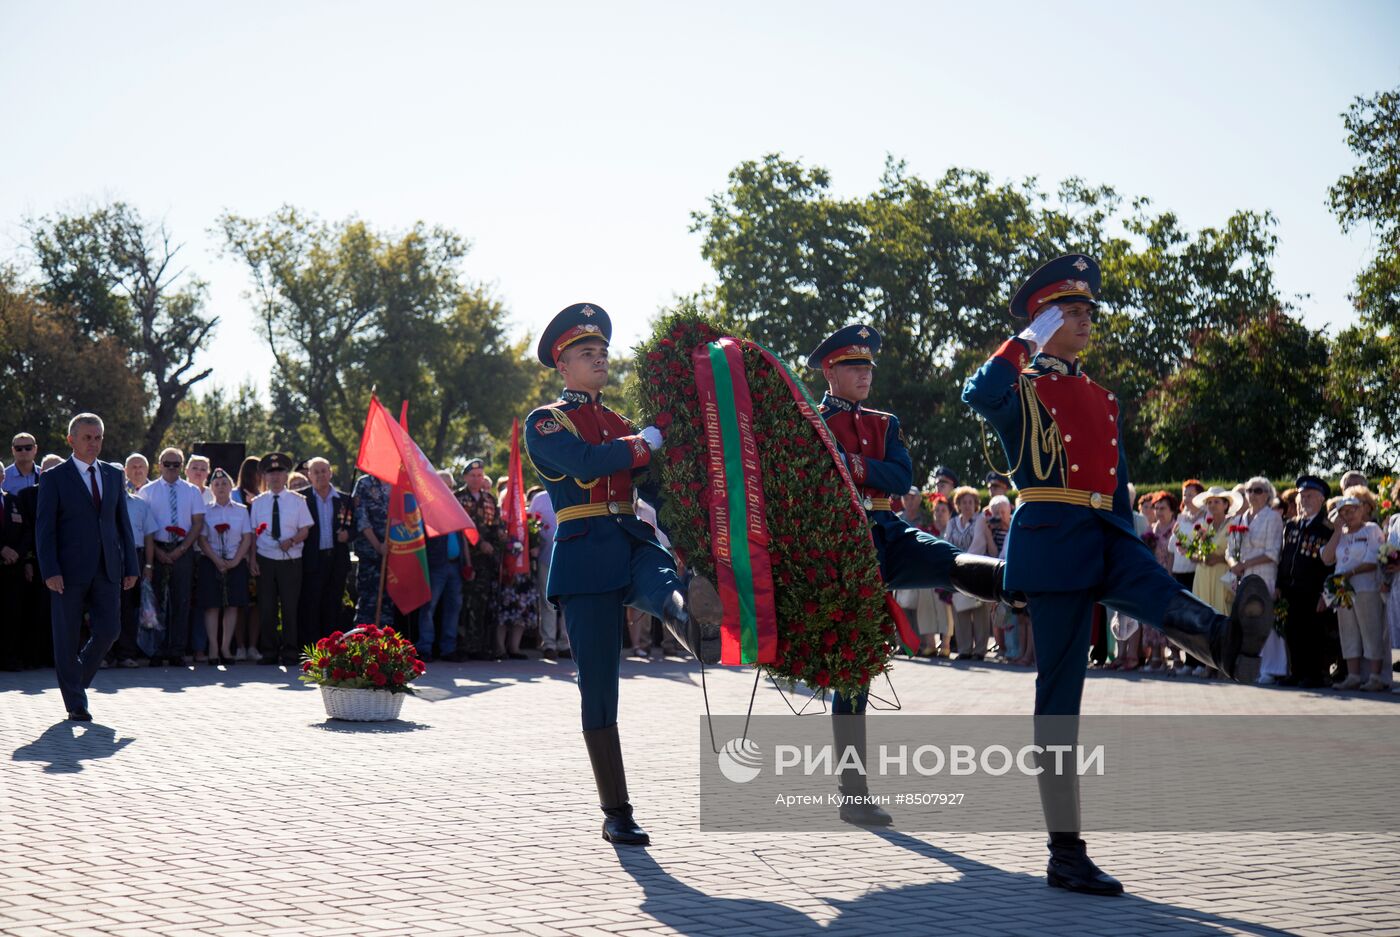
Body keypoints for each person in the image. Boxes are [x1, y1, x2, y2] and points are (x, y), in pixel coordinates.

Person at [962, 254, 1264, 896]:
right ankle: (1065, 852)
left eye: (1086, 311)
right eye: (1069, 312)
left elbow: (1118, 477)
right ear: (1044, 322)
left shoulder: (1103, 397)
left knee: (1159, 591)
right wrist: (1024, 342)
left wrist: (1127, 542)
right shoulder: (1020, 388)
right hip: (1053, 539)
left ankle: (1225, 643)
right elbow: (978, 394)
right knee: (1060, 702)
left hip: (1108, 531)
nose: (1084, 320)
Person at [524, 301, 721, 846]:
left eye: (603, 351)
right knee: (599, 688)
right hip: (584, 552)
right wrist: (642, 445)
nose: (600, 359)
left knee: (665, 585)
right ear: (563, 365)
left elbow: (656, 488)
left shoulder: (621, 423)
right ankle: (617, 811)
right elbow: (586, 463)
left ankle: (697, 629)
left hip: (631, 538)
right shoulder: (547, 421)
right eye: (587, 352)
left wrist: (690, 529)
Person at [811, 323, 1011, 827]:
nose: (866, 374)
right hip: (842, 544)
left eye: (868, 366)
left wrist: (849, 463)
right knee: (854, 673)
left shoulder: (886, 423)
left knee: (946, 559)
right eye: (854, 366)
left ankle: (1017, 585)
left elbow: (901, 478)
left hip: (889, 531)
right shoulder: (811, 423)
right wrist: (864, 468)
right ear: (830, 371)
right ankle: (853, 792)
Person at [34, 413, 139, 720]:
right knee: (66, 637)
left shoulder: (113, 474)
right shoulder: (54, 477)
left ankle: (75, 681)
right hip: (67, 571)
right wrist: (50, 570)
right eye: (87, 437)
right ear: (71, 440)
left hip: (108, 566)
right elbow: (45, 528)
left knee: (110, 630)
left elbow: (122, 523)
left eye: (98, 437)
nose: (93, 443)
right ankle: (76, 703)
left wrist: (131, 565)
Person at [138, 447, 206, 666]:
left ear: (181, 466)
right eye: (167, 464)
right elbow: (143, 525)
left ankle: (177, 650)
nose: (171, 468)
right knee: (156, 600)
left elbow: (198, 523)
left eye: (176, 464)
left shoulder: (192, 491)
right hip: (155, 548)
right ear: (159, 465)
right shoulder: (147, 491)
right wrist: (157, 553)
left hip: (183, 549)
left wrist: (182, 549)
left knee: (181, 600)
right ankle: (156, 650)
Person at [248, 453, 312, 666]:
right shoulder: (258, 502)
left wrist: (292, 540)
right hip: (265, 559)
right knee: (266, 607)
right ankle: (269, 651)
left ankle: (290, 651)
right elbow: (253, 534)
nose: (275, 477)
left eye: (279, 472)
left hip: (290, 559)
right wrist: (252, 560)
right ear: (265, 477)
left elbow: (305, 530)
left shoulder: (298, 501)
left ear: (286, 476)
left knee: (289, 607)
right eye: (271, 473)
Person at [1322, 487, 1385, 691]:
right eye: (1344, 511)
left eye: (1353, 510)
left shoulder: (1371, 529)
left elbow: (1374, 560)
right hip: (1342, 591)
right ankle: (1353, 676)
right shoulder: (1340, 534)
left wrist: (1349, 573)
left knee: (1371, 629)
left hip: (1366, 588)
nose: (1349, 514)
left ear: (1362, 509)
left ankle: (1375, 676)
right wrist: (1337, 531)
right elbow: (1327, 558)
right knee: (1347, 631)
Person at [1278, 475, 1335, 688]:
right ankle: (1297, 672)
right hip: (1291, 588)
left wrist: (1326, 594)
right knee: (1293, 631)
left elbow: (1332, 566)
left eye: (1310, 496)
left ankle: (1314, 675)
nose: (1304, 500)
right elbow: (1283, 557)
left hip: (1314, 590)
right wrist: (1279, 584)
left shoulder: (1327, 529)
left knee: (1314, 633)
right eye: (1302, 496)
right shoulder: (1291, 526)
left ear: (1321, 499)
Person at [1228, 477, 1285, 685]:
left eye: (1258, 490)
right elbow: (1230, 549)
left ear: (1268, 494)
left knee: (1266, 622)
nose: (1252, 494)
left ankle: (1272, 668)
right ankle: (1250, 668)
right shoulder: (1239, 518)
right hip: (1243, 577)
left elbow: (1273, 552)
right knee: (1247, 624)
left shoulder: (1272, 517)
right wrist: (1234, 563)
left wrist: (1245, 563)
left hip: (1265, 575)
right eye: (1249, 490)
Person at [196, 468, 253, 664]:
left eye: (224, 484)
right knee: (212, 606)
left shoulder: (241, 510)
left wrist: (236, 560)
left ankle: (226, 647)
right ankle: (213, 647)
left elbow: (247, 537)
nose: (221, 487)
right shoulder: (205, 511)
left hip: (235, 561)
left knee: (232, 605)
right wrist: (216, 560)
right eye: (217, 484)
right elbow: (202, 539)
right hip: (211, 562)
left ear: (231, 487)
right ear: (211, 488)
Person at [111, 454, 160, 668]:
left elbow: (149, 536)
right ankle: (105, 655)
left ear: (125, 478)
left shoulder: (140, 504)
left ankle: (126, 654)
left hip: (134, 558)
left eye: (119, 478)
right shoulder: (97, 505)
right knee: (106, 606)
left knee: (129, 608)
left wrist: (148, 565)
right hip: (108, 558)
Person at [1189, 486, 1243, 680]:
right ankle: (1208, 663)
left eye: (1217, 502)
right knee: (1205, 621)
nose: (1212, 505)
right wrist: (1199, 556)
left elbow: (1237, 552)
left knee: (1223, 617)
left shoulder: (1233, 524)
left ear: (1226, 504)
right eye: (1209, 502)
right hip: (1204, 575)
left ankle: (1224, 665)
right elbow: (1193, 553)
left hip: (1222, 576)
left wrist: (1219, 559)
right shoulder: (1204, 527)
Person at [298, 457, 353, 643]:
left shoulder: (345, 499)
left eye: (324, 471)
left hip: (337, 561)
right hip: (312, 560)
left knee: (333, 605)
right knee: (311, 605)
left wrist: (348, 535)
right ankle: (312, 648)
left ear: (331, 473)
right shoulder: (300, 498)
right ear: (309, 475)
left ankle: (332, 647)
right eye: (316, 472)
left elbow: (356, 527)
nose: (320, 475)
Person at [417, 469, 469, 662]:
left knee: (453, 607)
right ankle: (425, 647)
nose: (446, 489)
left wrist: (467, 562)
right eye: (442, 485)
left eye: (449, 486)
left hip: (455, 565)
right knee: (429, 607)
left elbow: (463, 536)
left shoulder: (456, 507)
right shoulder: (426, 508)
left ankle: (449, 648)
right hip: (435, 564)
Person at [456, 459, 505, 658]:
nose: (476, 479)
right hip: (465, 559)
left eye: (480, 475)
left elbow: (496, 526)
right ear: (465, 477)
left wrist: (499, 541)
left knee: (484, 603)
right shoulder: (457, 498)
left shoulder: (489, 499)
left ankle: (482, 646)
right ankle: (464, 646)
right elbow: (460, 528)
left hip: (487, 561)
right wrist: (479, 544)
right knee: (465, 604)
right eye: (472, 475)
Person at [941, 485, 995, 661]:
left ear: (975, 504)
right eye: (963, 502)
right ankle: (964, 650)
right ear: (958, 504)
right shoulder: (952, 522)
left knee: (980, 612)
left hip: (978, 569)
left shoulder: (980, 520)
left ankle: (980, 651)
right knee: (960, 611)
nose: (967, 505)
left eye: (970, 502)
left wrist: (964, 561)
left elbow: (979, 543)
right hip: (958, 569)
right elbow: (947, 543)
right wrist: (955, 564)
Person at [351, 472, 395, 627]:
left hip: (394, 555)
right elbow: (361, 519)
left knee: (388, 606)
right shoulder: (364, 483)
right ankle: (364, 640)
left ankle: (385, 640)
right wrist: (378, 546)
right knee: (368, 603)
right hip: (370, 554)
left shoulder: (398, 483)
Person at [530, 486, 568, 660]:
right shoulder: (539, 499)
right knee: (547, 602)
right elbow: (531, 526)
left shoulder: (572, 492)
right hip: (546, 557)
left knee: (568, 601)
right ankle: (549, 644)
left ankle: (566, 643)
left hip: (570, 558)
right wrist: (534, 545)